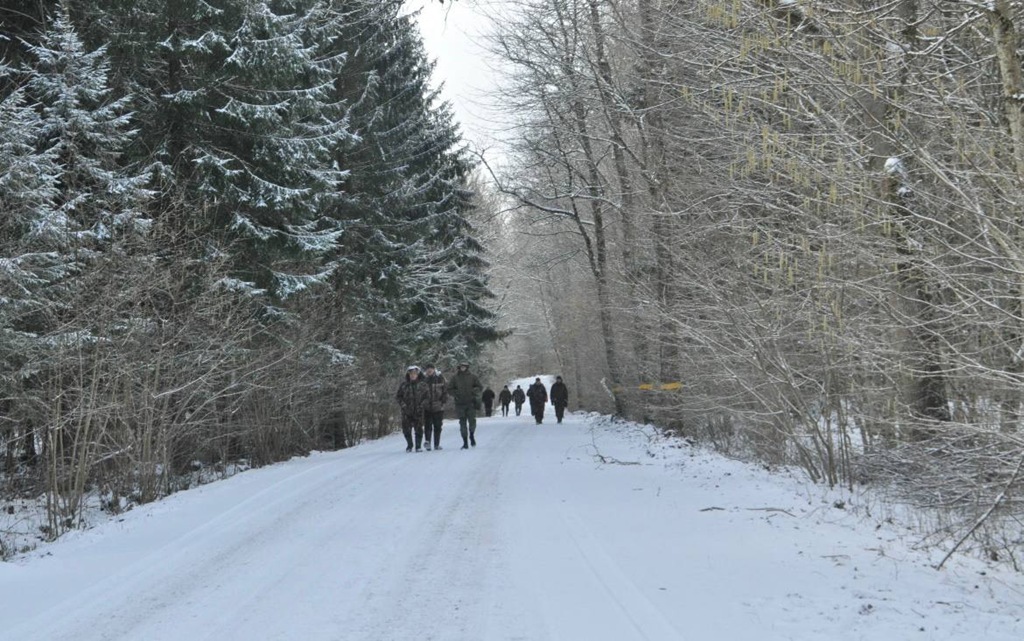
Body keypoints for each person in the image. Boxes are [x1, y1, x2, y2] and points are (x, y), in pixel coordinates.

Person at [449, 362, 482, 449]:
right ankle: (465, 442)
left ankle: (471, 435)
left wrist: (473, 391)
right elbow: (449, 389)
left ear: (467, 367)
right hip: (460, 404)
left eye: (464, 367)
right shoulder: (455, 378)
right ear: (459, 367)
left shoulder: (473, 377)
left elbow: (479, 387)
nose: (462, 368)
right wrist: (456, 394)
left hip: (471, 403)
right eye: (461, 367)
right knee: (462, 423)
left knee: (472, 422)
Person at [396, 365, 426, 452]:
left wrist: (422, 406)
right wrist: (403, 405)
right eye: (411, 374)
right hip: (406, 412)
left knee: (419, 430)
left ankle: (418, 446)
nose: (413, 375)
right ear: (408, 375)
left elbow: (427, 397)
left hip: (418, 411)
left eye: (415, 374)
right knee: (406, 430)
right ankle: (409, 445)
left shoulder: (422, 385)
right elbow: (398, 397)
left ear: (417, 374)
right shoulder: (404, 385)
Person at [420, 363, 447, 450]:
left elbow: (445, 390)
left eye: (431, 368)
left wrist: (443, 400)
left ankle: (436, 444)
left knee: (438, 426)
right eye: (428, 369)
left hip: (438, 406)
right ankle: (427, 442)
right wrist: (422, 402)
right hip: (427, 406)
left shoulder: (440, 378)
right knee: (427, 426)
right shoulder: (423, 379)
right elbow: (419, 392)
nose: (429, 370)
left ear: (434, 369)